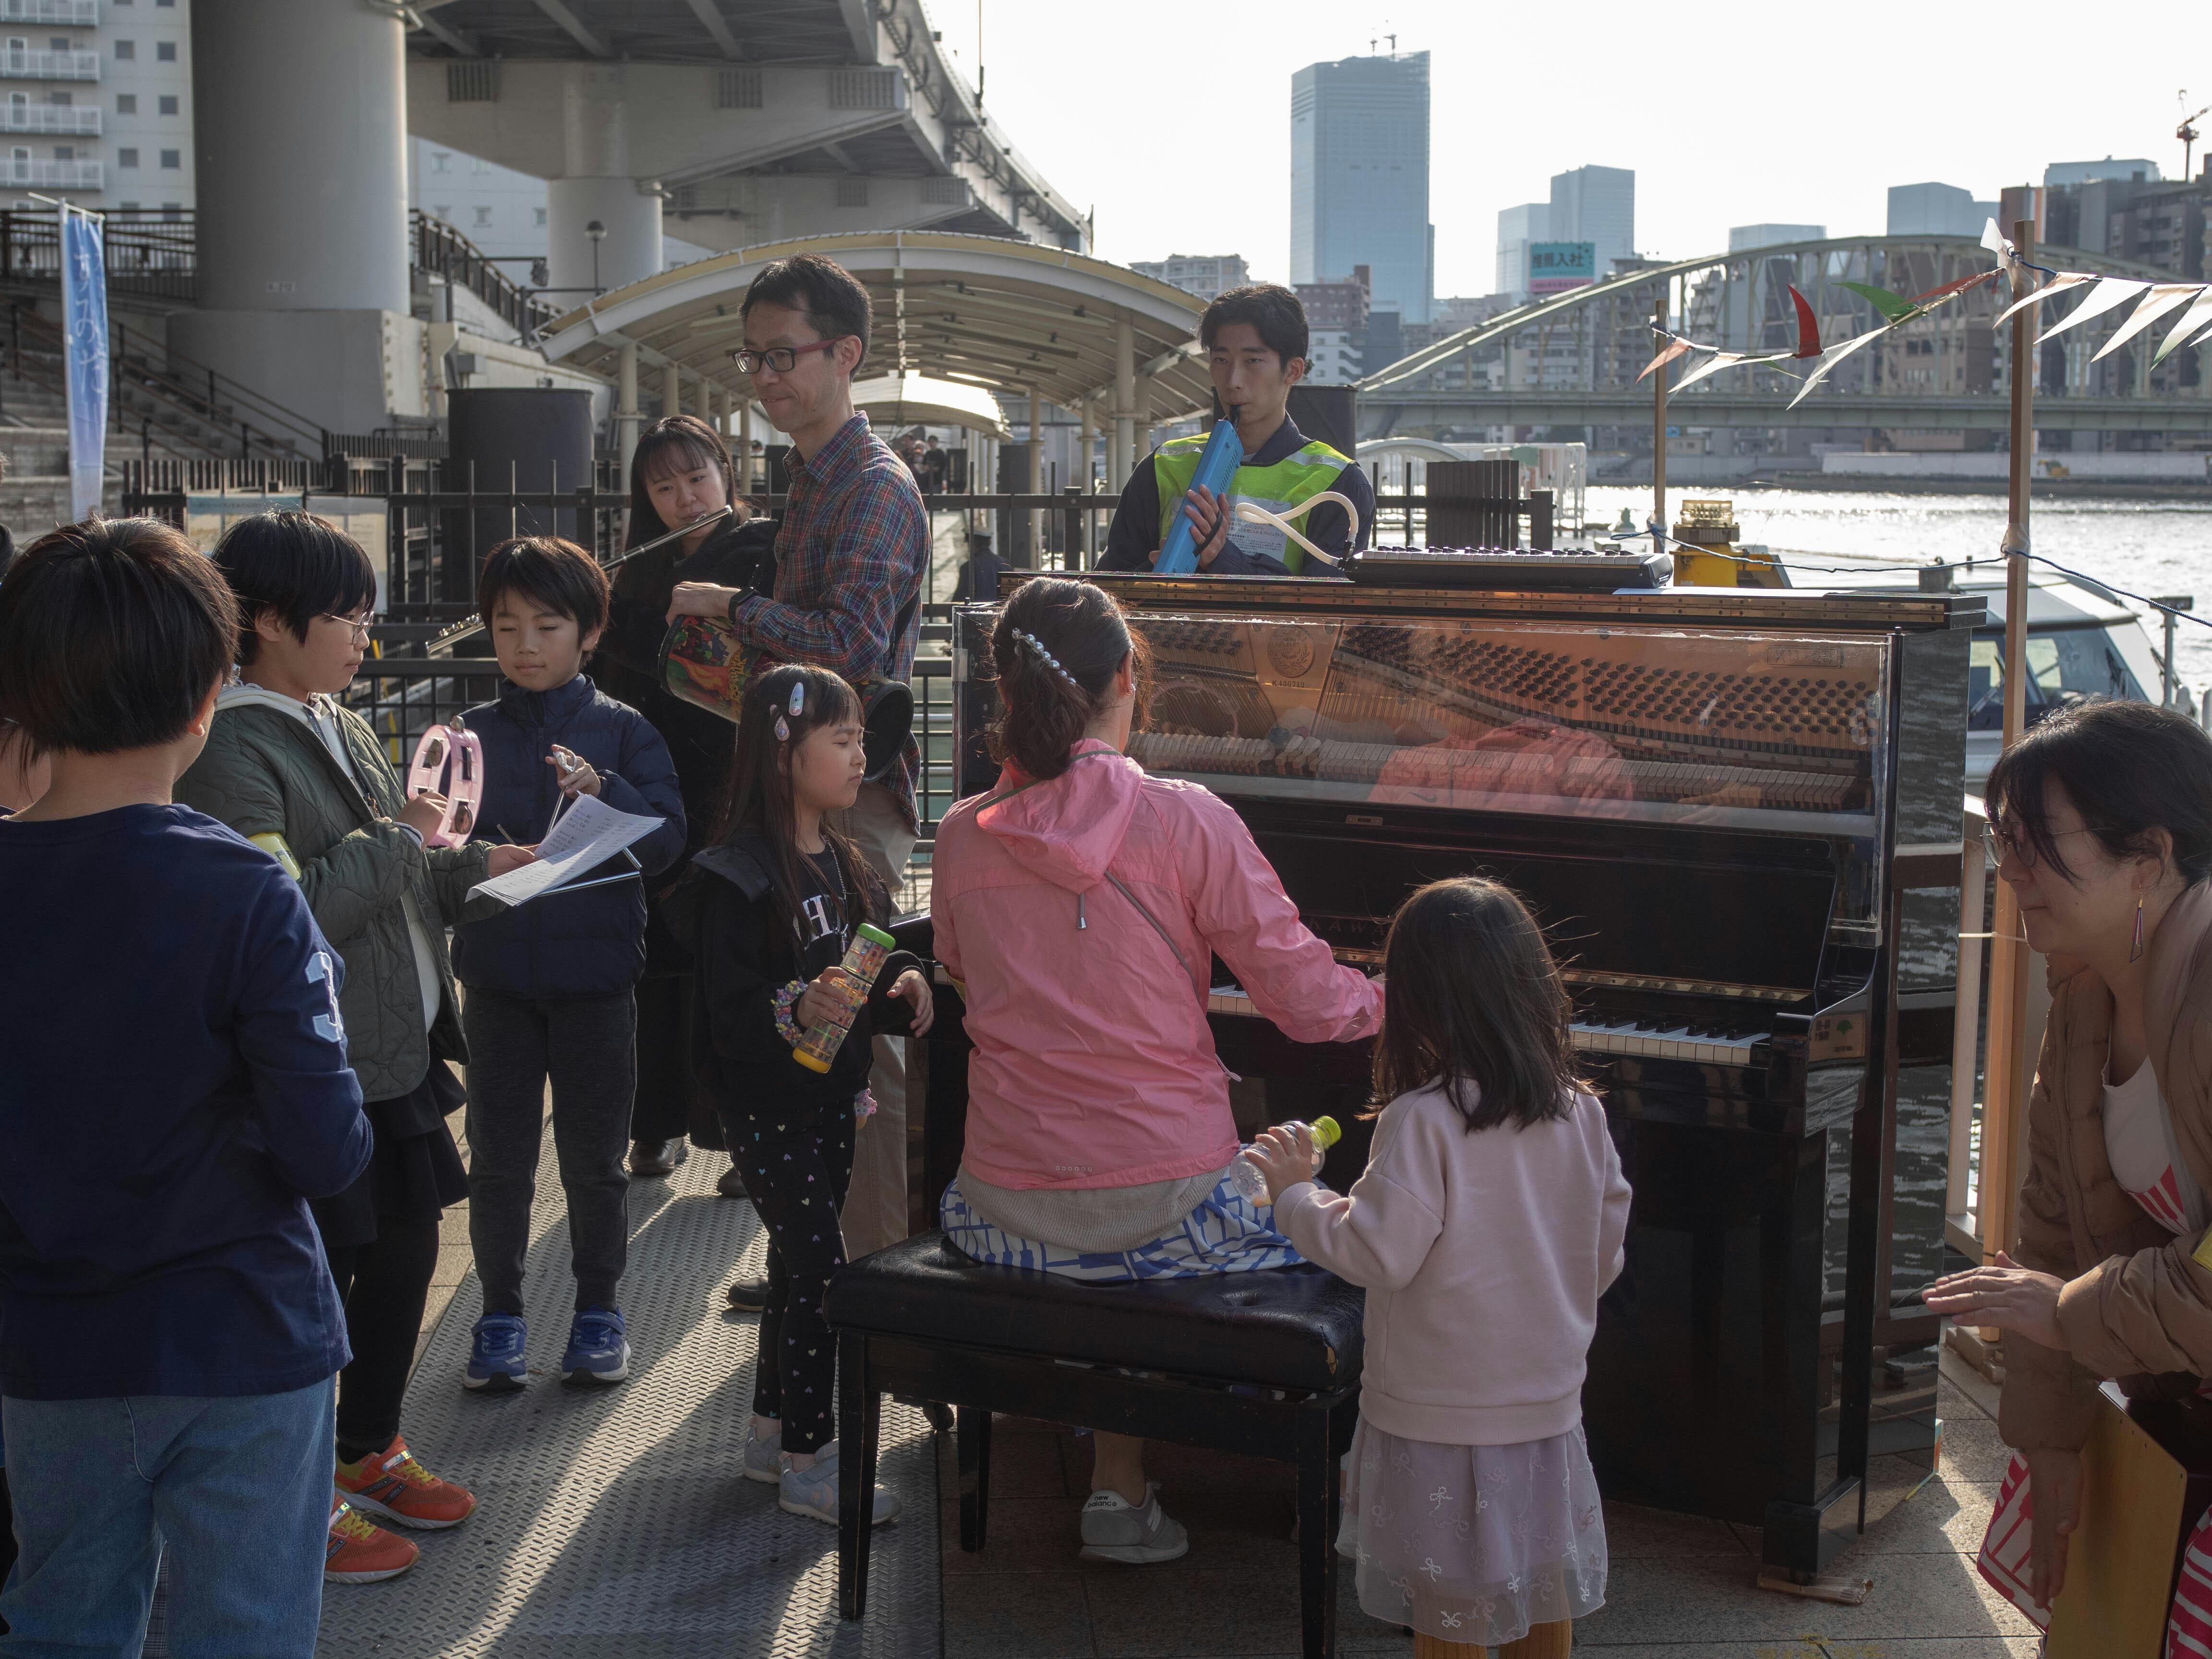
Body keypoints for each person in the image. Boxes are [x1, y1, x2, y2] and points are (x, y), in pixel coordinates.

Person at [927, 575, 1383, 1562]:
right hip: (1168, 1210)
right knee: (1359, 1244)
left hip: (999, 1213)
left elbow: (963, 972)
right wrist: (1402, 1001)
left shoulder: (961, 835)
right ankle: (1341, 1501)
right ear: (1127, 679)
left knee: (1109, 1247)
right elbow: (1309, 1007)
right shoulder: (1186, 819)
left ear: (1008, 691)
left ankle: (1119, 1489)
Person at [0, 517, 372, 1655]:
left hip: (48, 1343)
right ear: (208, 696)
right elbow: (329, 1149)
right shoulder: (247, 891)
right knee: (247, 1630)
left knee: (63, 1620)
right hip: (244, 1328)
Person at [176, 511, 534, 1585]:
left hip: (393, 1049)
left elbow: (402, 866)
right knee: (325, 1277)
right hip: (326, 1060)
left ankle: (367, 1446)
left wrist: (478, 867)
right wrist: (410, 839)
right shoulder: (235, 745)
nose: (365, 636)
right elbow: (287, 911)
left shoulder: (334, 717)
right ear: (270, 621)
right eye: (346, 615)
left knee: (404, 1256)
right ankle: (304, 1488)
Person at [1244, 876, 1629, 1656]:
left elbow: (1375, 1251)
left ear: (1414, 1001)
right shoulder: (1578, 1111)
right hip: (1542, 1410)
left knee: (1447, 1614)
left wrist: (1295, 1197)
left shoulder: (1418, 1120)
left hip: (1436, 1418)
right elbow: (1604, 1245)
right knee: (1539, 1589)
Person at [1921, 700, 2212, 1646]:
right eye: (2004, 843)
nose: (2009, 876)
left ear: (2148, 858)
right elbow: (2051, 1229)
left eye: (2037, 846)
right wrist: (2049, 1441)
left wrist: (2072, 1313)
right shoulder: (2089, 991)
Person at [666, 252, 930, 1262]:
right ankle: (819, 1267)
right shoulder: (817, 478)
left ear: (845, 354)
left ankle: (876, 1267)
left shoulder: (870, 485)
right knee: (812, 1025)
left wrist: (731, 607)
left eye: (785, 355)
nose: (767, 377)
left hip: (853, 799)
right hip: (808, 792)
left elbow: (854, 646)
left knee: (861, 1037)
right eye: (755, 358)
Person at [688, 664, 931, 1528]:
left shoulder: (846, 857)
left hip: (832, 1103)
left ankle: (768, 1439)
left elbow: (877, 949)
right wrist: (796, 1008)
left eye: (863, 737)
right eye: (844, 739)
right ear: (783, 750)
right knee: (825, 1275)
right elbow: (727, 1011)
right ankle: (811, 1458)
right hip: (764, 1108)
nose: (862, 755)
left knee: (796, 1270)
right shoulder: (735, 874)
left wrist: (906, 979)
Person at [450, 536, 687, 1392]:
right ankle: (499, 1315)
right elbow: (443, 848)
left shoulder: (624, 731)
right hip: (499, 979)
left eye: (547, 625)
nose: (524, 644)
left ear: (590, 633)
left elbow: (667, 844)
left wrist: (607, 794)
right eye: (506, 625)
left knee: (595, 1158)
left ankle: (598, 1311)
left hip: (596, 981)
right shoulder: (468, 736)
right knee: (499, 1158)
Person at [596, 413, 779, 1189]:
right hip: (653, 782)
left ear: (725, 473)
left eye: (695, 478)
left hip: (735, 784)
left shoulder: (760, 553)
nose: (683, 498)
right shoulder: (634, 575)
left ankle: (743, 1136)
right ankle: (653, 1126)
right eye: (663, 487)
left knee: (737, 962)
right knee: (654, 964)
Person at [1099, 284, 1374, 577]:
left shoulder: (1338, 482)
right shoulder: (1162, 466)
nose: (1233, 381)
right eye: (1221, 360)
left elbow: (1328, 607)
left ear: (1293, 371)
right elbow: (1110, 587)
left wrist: (1220, 557)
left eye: (1252, 361)